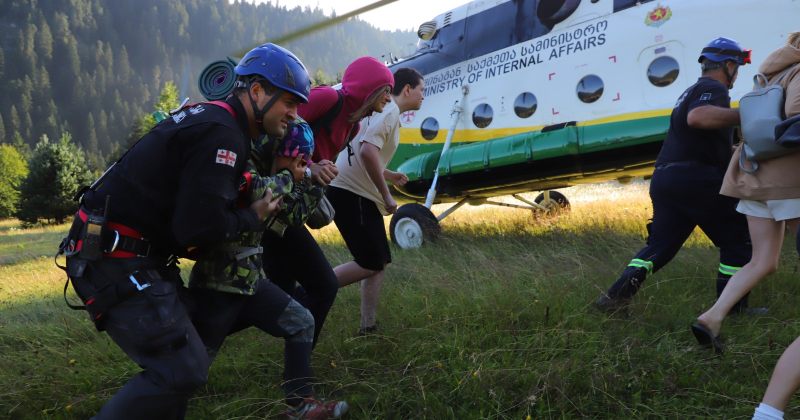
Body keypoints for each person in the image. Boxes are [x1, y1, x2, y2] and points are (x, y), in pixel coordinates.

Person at [56, 42, 309, 418]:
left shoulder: (213, 119)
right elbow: (198, 227)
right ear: (257, 92)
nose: (294, 113)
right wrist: (253, 217)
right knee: (182, 368)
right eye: (290, 101)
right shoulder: (224, 135)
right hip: (113, 259)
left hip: (122, 253)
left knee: (184, 361)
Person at [186, 118, 347, 419]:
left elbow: (293, 215)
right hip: (219, 283)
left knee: (302, 321)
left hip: (247, 283)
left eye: (304, 159)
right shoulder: (243, 162)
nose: (300, 163)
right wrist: (293, 174)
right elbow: (256, 190)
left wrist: (312, 182)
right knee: (186, 369)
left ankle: (301, 405)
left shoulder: (279, 172)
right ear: (277, 150)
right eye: (296, 157)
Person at [593, 37, 753, 316]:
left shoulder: (690, 92)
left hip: (667, 178)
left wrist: (737, 151)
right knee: (737, 241)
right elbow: (699, 118)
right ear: (728, 65)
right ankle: (733, 310)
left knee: (660, 247)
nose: (736, 75)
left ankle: (615, 298)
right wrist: (747, 115)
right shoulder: (712, 88)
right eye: (737, 68)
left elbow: (700, 135)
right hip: (697, 180)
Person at [260, 56, 395, 345]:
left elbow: (316, 152)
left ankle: (294, 350)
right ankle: (298, 360)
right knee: (318, 286)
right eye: (385, 89)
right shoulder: (327, 98)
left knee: (279, 293)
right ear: (369, 89)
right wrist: (310, 167)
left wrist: (321, 170)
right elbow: (280, 131)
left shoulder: (353, 126)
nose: (389, 96)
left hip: (290, 205)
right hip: (272, 199)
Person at [693, 34, 800, 358]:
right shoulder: (798, 73)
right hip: (788, 182)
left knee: (762, 260)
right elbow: (797, 116)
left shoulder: (769, 74)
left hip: (753, 176)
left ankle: (711, 318)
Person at [327, 67, 424, 334]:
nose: (423, 95)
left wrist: (389, 174)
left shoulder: (381, 109)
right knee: (370, 261)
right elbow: (368, 150)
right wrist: (386, 195)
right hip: (351, 193)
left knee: (377, 261)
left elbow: (364, 150)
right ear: (406, 90)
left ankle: (368, 326)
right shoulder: (390, 110)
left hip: (350, 191)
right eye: (421, 90)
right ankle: (312, 287)